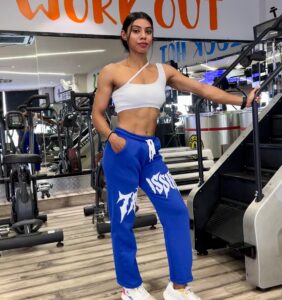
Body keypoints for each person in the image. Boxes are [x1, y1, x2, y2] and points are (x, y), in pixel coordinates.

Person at [92, 11, 259, 300]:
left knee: (177, 213)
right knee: (123, 220)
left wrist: (242, 99)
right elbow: (97, 114)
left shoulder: (163, 72)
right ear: (125, 35)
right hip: (122, 150)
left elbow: (203, 88)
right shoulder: (112, 71)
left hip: (150, 152)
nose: (143, 36)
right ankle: (130, 287)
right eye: (136, 31)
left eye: (148, 31)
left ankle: (178, 286)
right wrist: (111, 137)